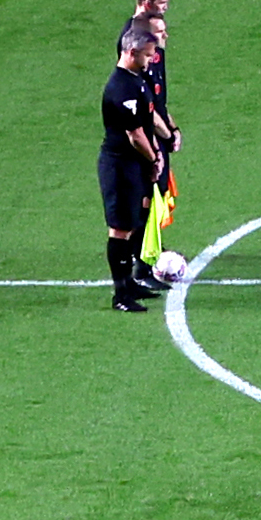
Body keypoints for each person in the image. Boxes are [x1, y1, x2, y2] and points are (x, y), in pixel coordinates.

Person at [97, 19, 172, 311]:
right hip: (119, 166)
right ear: (131, 52)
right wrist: (154, 158)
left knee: (135, 220)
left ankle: (130, 284)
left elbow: (150, 118)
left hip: (136, 164)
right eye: (147, 54)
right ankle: (120, 295)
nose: (152, 59)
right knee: (120, 228)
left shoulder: (138, 80)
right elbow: (135, 134)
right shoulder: (121, 88)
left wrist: (167, 138)